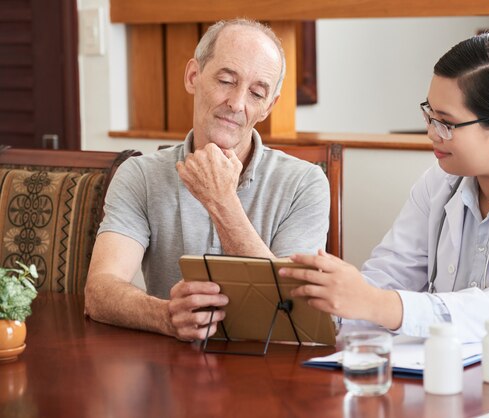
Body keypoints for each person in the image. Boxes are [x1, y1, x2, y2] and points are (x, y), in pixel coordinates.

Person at [280, 32, 489, 354]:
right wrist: (333, 302)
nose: (431, 132)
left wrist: (376, 303)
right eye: (429, 114)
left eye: (446, 122)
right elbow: (388, 276)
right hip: (483, 379)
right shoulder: (440, 183)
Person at [84, 19, 330, 341]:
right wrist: (166, 316)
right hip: (172, 370)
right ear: (193, 76)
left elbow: (293, 314)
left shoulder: (306, 183)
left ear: (269, 106)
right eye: (227, 81)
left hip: (270, 373)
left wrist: (221, 200)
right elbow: (99, 292)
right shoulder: (140, 175)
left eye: (257, 93)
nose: (237, 103)